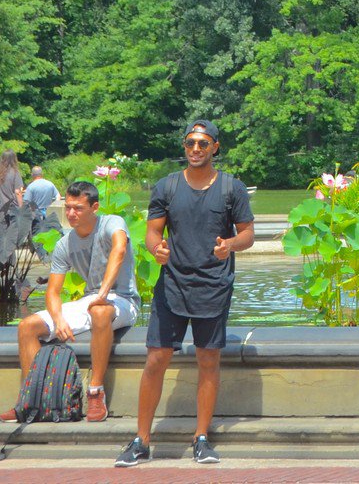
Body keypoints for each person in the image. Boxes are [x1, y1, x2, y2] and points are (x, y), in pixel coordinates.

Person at [115, 120, 254, 469]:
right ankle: (141, 440)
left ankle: (201, 438)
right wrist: (156, 250)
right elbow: (152, 233)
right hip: (172, 283)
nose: (195, 149)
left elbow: (248, 235)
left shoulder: (230, 188)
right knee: (156, 359)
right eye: (190, 143)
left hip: (213, 284)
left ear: (215, 147)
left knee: (208, 360)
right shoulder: (167, 186)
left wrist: (231, 245)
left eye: (203, 143)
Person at [0, 180, 139, 424]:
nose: (72, 214)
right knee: (27, 327)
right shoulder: (65, 243)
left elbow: (119, 249)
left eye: (79, 208)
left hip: (123, 300)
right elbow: (53, 291)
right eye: (69, 207)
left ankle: (95, 392)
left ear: (94, 207)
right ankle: (31, 400)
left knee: (100, 312)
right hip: (91, 300)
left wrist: (102, 294)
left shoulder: (111, 223)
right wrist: (58, 319)